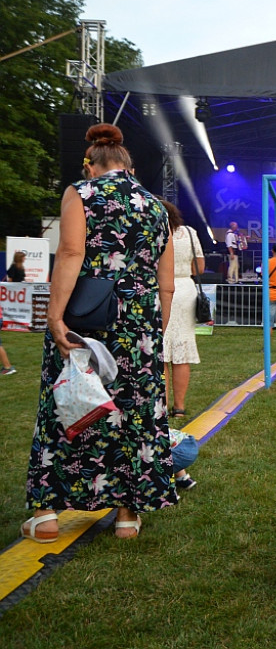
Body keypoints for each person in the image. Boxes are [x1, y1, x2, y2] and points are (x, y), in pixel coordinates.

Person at [23, 123, 177, 543]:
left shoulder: (81, 193)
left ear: (90, 164)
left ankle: (48, 514)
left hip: (88, 320)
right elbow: (167, 283)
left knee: (70, 402)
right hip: (139, 323)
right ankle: (127, 517)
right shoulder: (156, 206)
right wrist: (152, 332)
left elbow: (71, 252)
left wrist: (55, 317)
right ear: (128, 165)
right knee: (133, 413)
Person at [161, 200, 205, 419]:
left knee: (160, 351)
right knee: (182, 350)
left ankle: (161, 406)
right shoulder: (189, 232)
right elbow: (201, 266)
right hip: (185, 288)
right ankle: (179, 407)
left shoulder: (152, 232)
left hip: (159, 289)